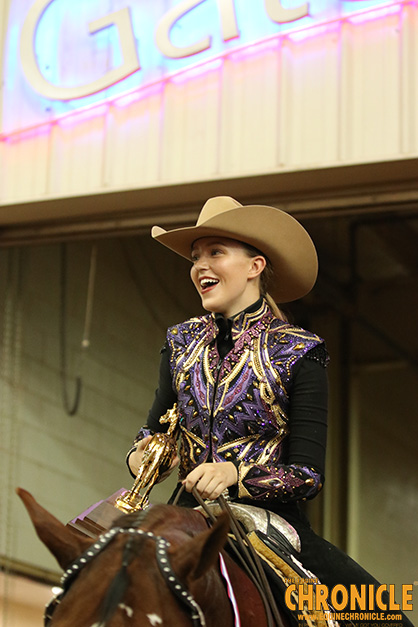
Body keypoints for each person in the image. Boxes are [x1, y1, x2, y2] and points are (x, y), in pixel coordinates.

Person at [126, 196, 413, 627]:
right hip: (183, 512)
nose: (200, 265)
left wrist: (235, 476)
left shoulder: (299, 351)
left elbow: (307, 475)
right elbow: (151, 429)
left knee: (384, 617)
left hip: (272, 523)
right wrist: (145, 456)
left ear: (254, 266)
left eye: (215, 253)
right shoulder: (179, 343)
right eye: (195, 257)